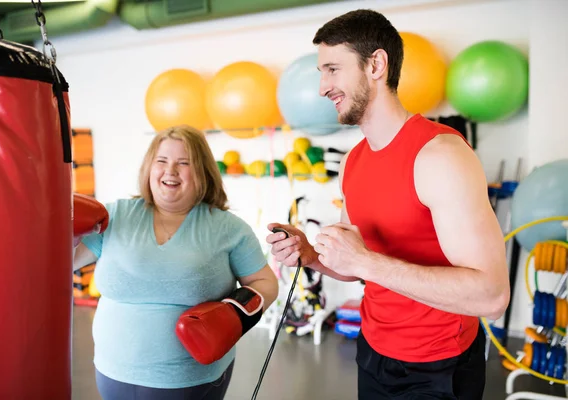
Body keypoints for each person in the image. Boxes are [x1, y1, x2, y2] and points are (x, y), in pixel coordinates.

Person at [266, 9, 510, 400]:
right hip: (373, 353)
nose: (322, 87)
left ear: (376, 64)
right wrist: (309, 254)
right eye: (321, 73)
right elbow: (357, 265)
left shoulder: (439, 155)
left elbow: (492, 296)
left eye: (332, 69)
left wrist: (364, 262)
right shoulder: (354, 161)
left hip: (439, 367)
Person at [73, 124, 278, 400]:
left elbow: (265, 282)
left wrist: (235, 312)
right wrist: (64, 233)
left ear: (203, 171)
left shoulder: (228, 228)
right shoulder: (114, 216)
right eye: (162, 161)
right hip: (112, 373)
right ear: (149, 167)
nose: (170, 171)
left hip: (191, 381)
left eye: (184, 163)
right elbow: (65, 265)